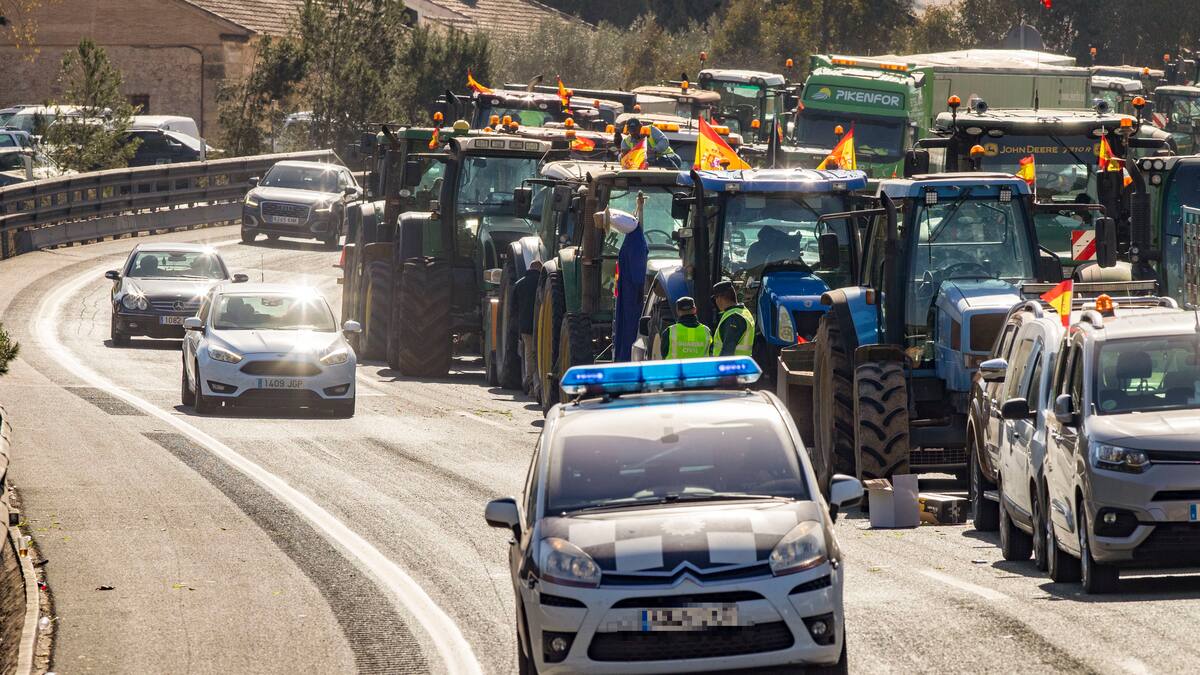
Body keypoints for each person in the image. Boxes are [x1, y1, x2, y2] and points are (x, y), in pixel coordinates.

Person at [513, 260, 543, 393]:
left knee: (529, 354)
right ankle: (537, 385)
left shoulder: (519, 284)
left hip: (525, 326)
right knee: (539, 354)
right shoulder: (542, 283)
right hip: (541, 325)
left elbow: (513, 309)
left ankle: (529, 383)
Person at [711, 280, 755, 357]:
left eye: (715, 299)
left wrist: (718, 368)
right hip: (741, 365)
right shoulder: (744, 311)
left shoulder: (733, 317)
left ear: (720, 298)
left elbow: (727, 352)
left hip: (732, 367)